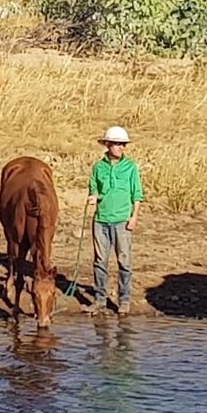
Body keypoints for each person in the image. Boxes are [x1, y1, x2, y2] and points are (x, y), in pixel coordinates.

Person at [86, 126, 143, 314]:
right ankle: (100, 299)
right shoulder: (98, 167)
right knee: (100, 261)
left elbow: (137, 194)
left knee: (124, 261)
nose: (120, 148)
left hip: (122, 220)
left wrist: (134, 217)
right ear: (108, 145)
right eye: (117, 144)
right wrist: (94, 196)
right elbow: (93, 187)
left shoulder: (131, 167)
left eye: (123, 144)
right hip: (101, 220)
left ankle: (124, 300)